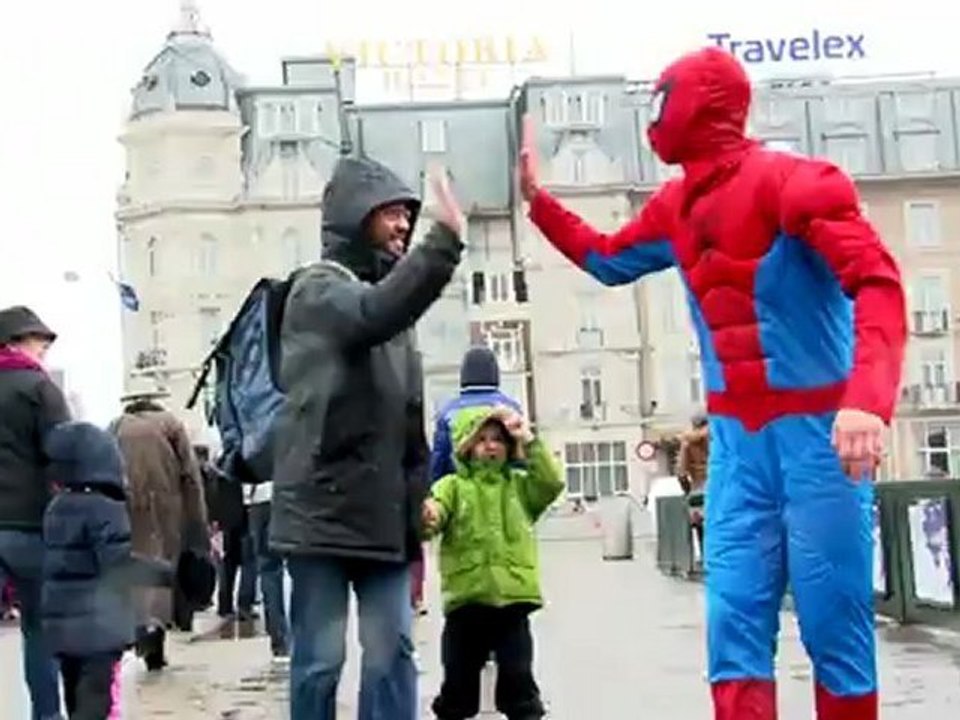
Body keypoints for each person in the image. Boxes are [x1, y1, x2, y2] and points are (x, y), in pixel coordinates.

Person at [519, 47, 906, 720]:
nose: (653, 124)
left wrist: (866, 402)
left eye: (662, 104)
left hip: (819, 440)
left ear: (701, 104)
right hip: (737, 447)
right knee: (733, 624)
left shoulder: (797, 183)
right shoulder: (676, 208)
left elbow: (878, 283)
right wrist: (540, 204)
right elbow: (608, 260)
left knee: (833, 624)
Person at [269, 157, 466, 720]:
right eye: (391, 214)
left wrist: (419, 492)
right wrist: (443, 242)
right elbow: (371, 313)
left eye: (410, 214)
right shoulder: (318, 290)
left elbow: (407, 422)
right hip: (319, 515)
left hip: (384, 518)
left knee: (392, 653)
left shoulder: (394, 318)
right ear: (356, 218)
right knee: (319, 661)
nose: (404, 225)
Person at [423, 405, 563, 720]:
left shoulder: (519, 485)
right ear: (466, 446)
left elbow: (551, 483)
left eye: (498, 439)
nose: (490, 445)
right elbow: (436, 511)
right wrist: (429, 516)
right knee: (458, 681)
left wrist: (528, 439)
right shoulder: (453, 487)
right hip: (466, 601)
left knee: (519, 677)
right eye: (481, 438)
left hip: (512, 602)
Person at [0, 305, 69, 720]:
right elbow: (65, 452)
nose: (42, 349)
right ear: (14, 343)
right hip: (30, 525)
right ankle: (46, 716)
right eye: (37, 341)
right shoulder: (40, 389)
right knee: (39, 630)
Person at [41, 421, 135, 720]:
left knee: (74, 698)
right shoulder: (106, 508)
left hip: (62, 626)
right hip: (99, 628)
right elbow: (118, 567)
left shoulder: (55, 507)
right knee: (96, 701)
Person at [112, 391, 209, 671]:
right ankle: (155, 642)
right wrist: (198, 522)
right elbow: (191, 476)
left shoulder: (116, 427)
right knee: (162, 572)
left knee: (136, 573)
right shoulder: (171, 425)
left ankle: (140, 630)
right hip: (168, 509)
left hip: (128, 509)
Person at [429, 345, 523, 483]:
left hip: (462, 492)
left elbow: (439, 462)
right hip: (503, 491)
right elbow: (521, 458)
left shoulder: (448, 412)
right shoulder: (511, 409)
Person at [677, 412, 709, 551]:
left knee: (699, 524)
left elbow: (682, 473)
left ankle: (705, 557)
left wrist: (687, 490)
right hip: (718, 487)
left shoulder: (687, 444)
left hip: (697, 487)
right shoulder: (715, 438)